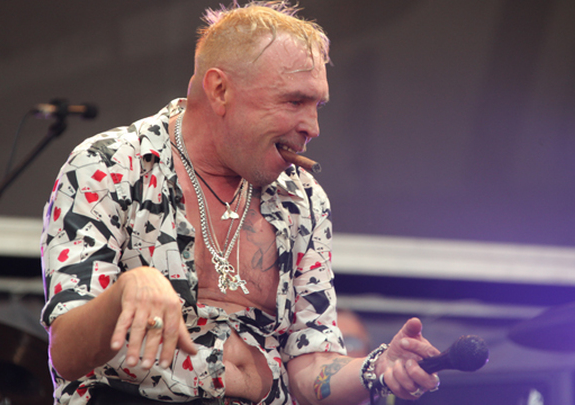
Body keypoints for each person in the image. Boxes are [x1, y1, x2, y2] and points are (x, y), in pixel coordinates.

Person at [40, 2, 441, 404]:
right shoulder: (110, 165)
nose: (313, 127)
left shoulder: (301, 197)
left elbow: (311, 367)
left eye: (317, 106)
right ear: (220, 90)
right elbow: (67, 354)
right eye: (294, 101)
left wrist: (377, 368)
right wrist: (127, 290)